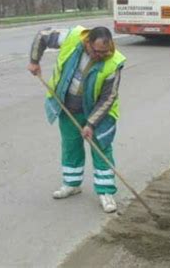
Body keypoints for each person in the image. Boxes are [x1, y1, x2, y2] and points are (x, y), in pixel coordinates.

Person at [27, 26, 126, 213]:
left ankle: (106, 192)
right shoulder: (72, 38)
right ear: (87, 42)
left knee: (101, 149)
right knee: (70, 145)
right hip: (67, 106)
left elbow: (108, 98)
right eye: (96, 51)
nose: (101, 56)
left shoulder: (114, 62)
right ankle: (72, 184)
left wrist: (90, 124)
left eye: (105, 52)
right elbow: (42, 35)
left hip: (99, 113)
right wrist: (34, 61)